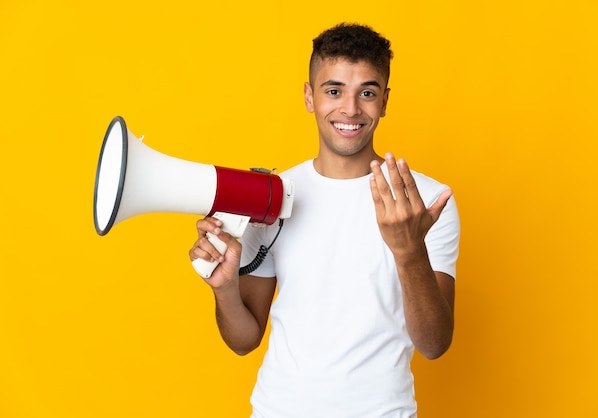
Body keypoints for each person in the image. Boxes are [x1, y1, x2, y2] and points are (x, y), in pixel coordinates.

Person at [189, 22, 460, 418]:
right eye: (333, 90)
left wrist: (408, 251)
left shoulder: (426, 202)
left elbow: (434, 344)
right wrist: (225, 288)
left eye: (366, 93)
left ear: (384, 101)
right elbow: (244, 340)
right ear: (309, 96)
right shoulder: (270, 196)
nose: (350, 109)